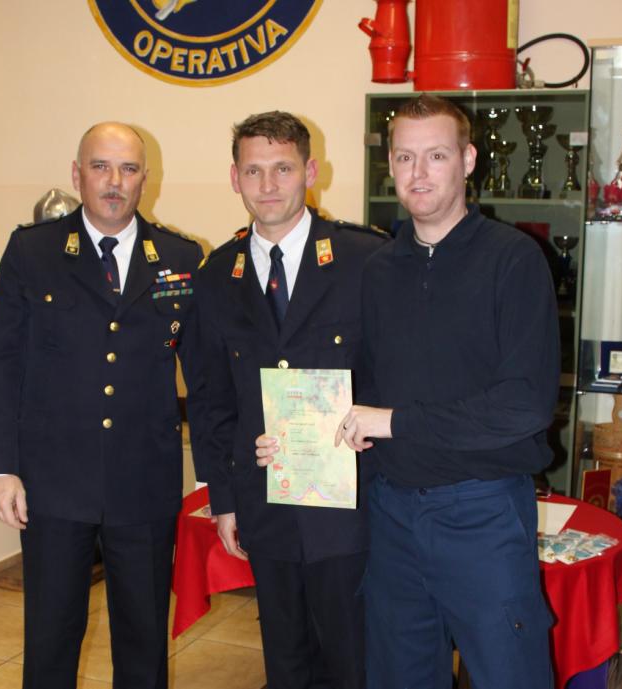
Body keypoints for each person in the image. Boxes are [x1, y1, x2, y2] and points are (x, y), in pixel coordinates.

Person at [334, 95, 560, 689]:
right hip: (392, 515)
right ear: (390, 164)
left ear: (468, 159)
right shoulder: (378, 270)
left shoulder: (514, 260)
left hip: (482, 513)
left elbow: (525, 404)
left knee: (511, 677)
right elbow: (364, 387)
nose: (418, 172)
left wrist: (394, 422)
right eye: (404, 157)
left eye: (436, 155)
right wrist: (300, 437)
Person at [0, 122, 204, 689]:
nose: (114, 181)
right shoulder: (33, 251)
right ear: (77, 175)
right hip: (54, 483)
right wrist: (1, 468)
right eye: (100, 167)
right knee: (51, 639)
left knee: (144, 642)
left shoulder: (179, 256)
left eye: (128, 169)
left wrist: (219, 477)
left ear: (146, 179)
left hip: (143, 483)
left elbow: (205, 375)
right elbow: (0, 365)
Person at [195, 111, 388, 689]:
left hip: (351, 501)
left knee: (354, 659)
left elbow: (396, 375)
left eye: (283, 168)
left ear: (311, 171)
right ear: (235, 177)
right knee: (284, 660)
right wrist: (224, 498)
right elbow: (211, 399)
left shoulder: (365, 259)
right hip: (266, 501)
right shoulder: (216, 275)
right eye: (253, 171)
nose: (268, 185)